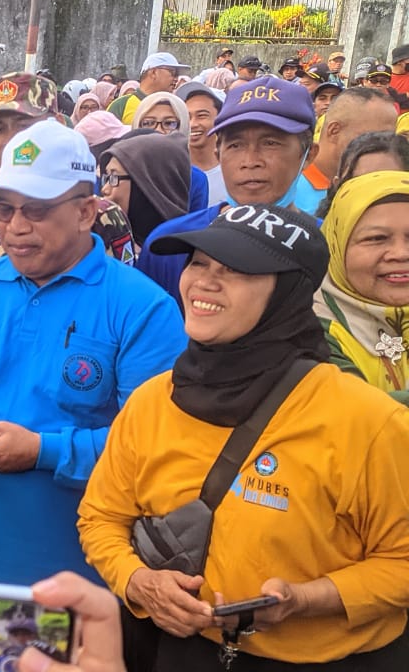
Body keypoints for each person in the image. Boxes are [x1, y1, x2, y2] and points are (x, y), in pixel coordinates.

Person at [79, 203, 409, 671]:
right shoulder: (154, 400)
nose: (205, 282)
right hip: (183, 651)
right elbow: (100, 518)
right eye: (199, 263)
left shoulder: (367, 420)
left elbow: (402, 560)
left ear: (287, 295)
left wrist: (307, 599)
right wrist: (138, 583)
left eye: (236, 270)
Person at [0, 120, 186, 586]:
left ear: (85, 212)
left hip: (81, 575)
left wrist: (42, 451)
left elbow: (152, 445)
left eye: (36, 211)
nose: (16, 228)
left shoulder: (144, 308)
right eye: (4, 210)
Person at [136, 77, 316, 304]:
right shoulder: (168, 246)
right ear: (217, 153)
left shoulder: (324, 247)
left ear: (309, 154)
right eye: (235, 145)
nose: (250, 161)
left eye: (271, 143)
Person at [315, 169, 409, 401]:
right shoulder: (309, 333)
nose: (400, 253)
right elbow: (355, 417)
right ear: (336, 247)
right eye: (377, 239)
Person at [290, 87, 399, 215]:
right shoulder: (286, 188)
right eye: (374, 137)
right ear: (334, 131)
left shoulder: (382, 189)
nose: (385, 147)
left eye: (390, 137)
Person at [100, 132, 192, 253]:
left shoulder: (184, 255)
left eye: (114, 177)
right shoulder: (101, 245)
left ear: (146, 186)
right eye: (107, 178)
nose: (104, 189)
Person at [316, 131, 409, 217]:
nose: (373, 196)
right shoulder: (313, 232)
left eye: (386, 185)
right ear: (337, 186)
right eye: (359, 184)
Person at [177, 82, 228, 207]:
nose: (193, 124)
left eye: (202, 116)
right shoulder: (172, 170)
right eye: (187, 117)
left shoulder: (235, 171)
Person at [107, 53, 189, 124]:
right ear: (153, 73)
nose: (176, 79)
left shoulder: (175, 107)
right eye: (173, 73)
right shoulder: (121, 105)